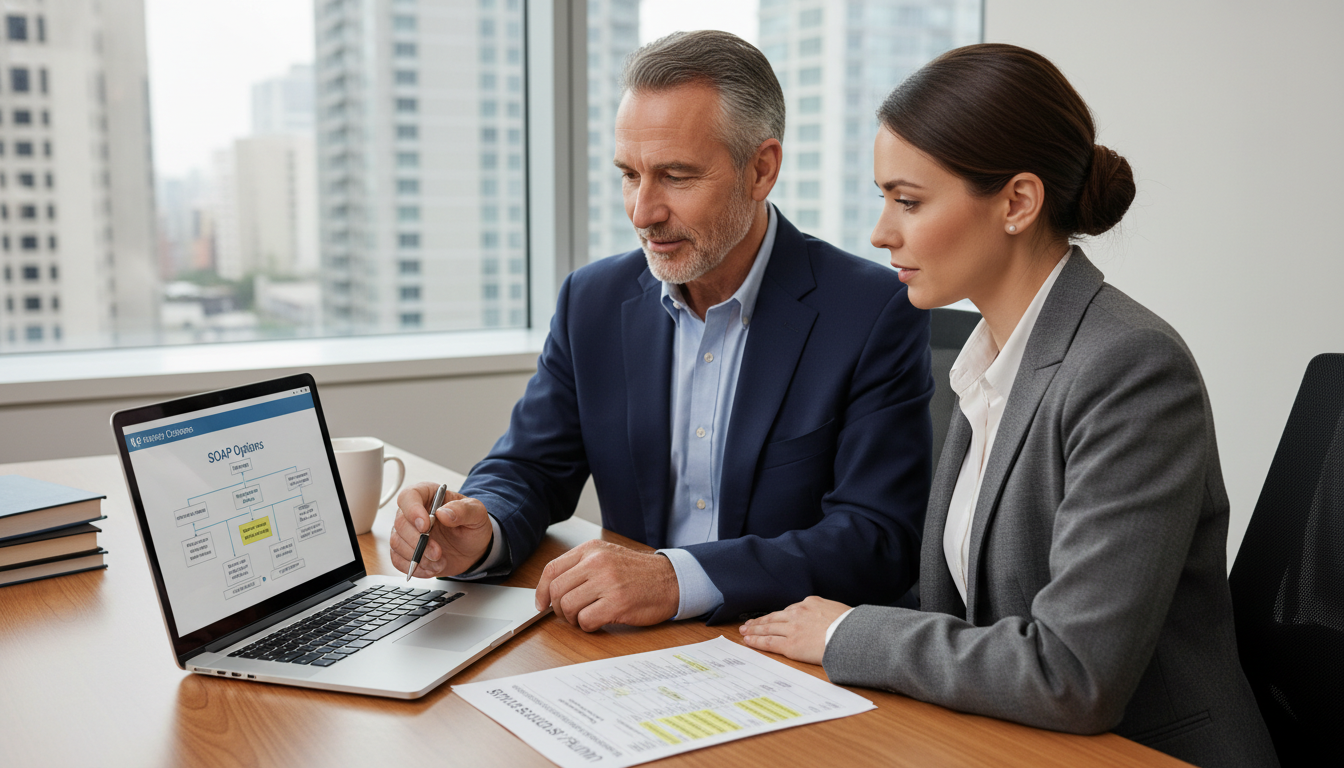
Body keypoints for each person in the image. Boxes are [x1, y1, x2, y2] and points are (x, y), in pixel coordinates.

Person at [739, 43, 1278, 768]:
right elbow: (964, 608)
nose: (880, 232)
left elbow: (1073, 673)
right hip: (1005, 740)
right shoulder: (990, 358)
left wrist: (846, 636)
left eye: (908, 200)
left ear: (1018, 202)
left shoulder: (1132, 368)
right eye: (883, 197)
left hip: (1140, 753)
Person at [388, 30, 933, 630]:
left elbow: (877, 538)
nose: (643, 212)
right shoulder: (592, 301)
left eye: (676, 176)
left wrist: (677, 579)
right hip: (628, 649)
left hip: (782, 650)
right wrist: (480, 525)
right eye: (629, 174)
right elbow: (530, 467)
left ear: (761, 169)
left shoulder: (872, 309)